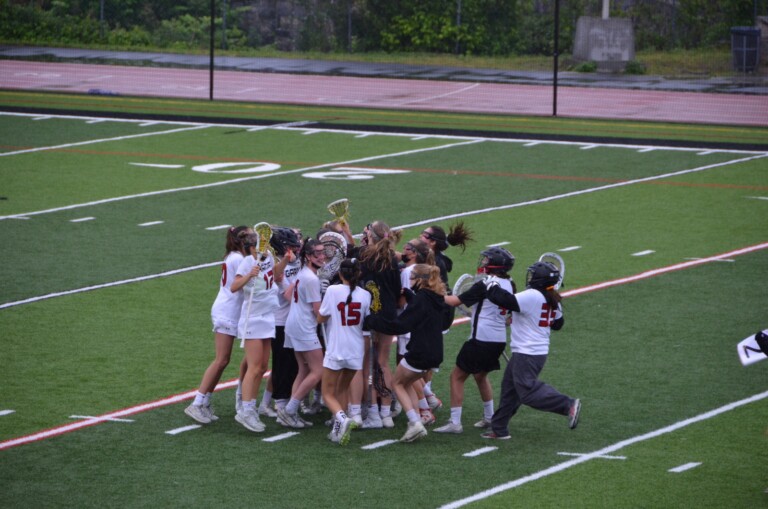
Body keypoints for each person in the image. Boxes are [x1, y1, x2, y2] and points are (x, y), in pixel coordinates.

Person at [479, 261, 581, 439]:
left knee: (526, 392)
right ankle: (499, 428)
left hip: (528, 352)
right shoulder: (552, 298)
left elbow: (505, 300)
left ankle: (568, 405)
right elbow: (558, 324)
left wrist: (491, 283)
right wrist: (523, 319)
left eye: (533, 275)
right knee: (510, 389)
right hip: (534, 351)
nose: (530, 278)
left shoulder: (532, 295)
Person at [365, 264, 454, 443]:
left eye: (413, 277)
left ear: (421, 280)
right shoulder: (437, 297)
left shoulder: (422, 299)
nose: (410, 280)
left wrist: (373, 321)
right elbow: (437, 318)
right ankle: (417, 418)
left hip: (420, 351)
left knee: (397, 383)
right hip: (435, 353)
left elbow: (401, 325)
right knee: (408, 383)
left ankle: (415, 423)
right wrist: (412, 297)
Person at [436, 247, 516, 434]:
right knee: (480, 376)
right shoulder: (509, 283)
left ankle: (455, 422)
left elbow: (455, 301)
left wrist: (434, 293)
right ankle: (489, 416)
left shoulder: (486, 284)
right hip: (498, 339)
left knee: (456, 376)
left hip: (481, 338)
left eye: (487, 260)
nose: (483, 263)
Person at [185, 226, 251, 424]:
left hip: (230, 310)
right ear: (241, 240)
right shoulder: (238, 259)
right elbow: (241, 285)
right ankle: (197, 403)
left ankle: (204, 401)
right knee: (221, 360)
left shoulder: (234, 256)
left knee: (224, 360)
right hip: (227, 311)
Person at [230, 230, 290, 432]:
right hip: (253, 319)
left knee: (263, 367)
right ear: (251, 247)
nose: (264, 248)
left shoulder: (268, 258)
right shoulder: (247, 261)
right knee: (254, 366)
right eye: (260, 245)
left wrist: (286, 261)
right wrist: (249, 274)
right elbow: (234, 286)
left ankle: (251, 407)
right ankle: (246, 411)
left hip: (267, 317)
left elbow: (273, 274)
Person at [354, 221, 402, 429]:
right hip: (389, 314)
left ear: (371, 235)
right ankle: (386, 413)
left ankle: (372, 412)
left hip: (370, 314)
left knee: (368, 365)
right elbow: (398, 290)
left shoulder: (365, 257)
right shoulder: (392, 258)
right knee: (383, 363)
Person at [318, 258, 371, 445]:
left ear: (340, 274)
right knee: (342, 389)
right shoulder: (365, 295)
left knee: (328, 393)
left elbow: (321, 317)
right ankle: (337, 429)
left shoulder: (332, 291)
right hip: (356, 350)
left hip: (336, 348)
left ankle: (342, 418)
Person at [277, 238, 327, 428]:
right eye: (317, 253)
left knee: (304, 369)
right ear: (307, 256)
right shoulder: (312, 278)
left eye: (323, 253)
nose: (321, 256)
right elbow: (318, 312)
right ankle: (290, 410)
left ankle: (290, 412)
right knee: (318, 370)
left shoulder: (303, 273)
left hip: (294, 324)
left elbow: (288, 295)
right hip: (304, 327)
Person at [258, 227, 303, 418]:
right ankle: (279, 404)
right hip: (279, 321)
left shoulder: (288, 262)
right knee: (282, 366)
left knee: (285, 365)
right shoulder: (276, 266)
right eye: (291, 246)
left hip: (287, 320)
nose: (295, 249)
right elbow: (287, 294)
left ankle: (265, 404)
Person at [420, 221, 473, 288]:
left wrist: (411, 272)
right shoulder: (427, 257)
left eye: (425, 235)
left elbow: (425, 277)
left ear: (433, 242)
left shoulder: (436, 262)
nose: (420, 236)